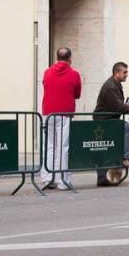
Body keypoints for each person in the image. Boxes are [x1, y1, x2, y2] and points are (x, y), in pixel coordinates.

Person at [39, 47, 81, 191]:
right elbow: (77, 94)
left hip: (48, 112)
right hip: (65, 113)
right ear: (70, 59)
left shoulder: (47, 72)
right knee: (63, 147)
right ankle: (62, 180)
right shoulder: (74, 74)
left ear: (57, 58)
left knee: (49, 146)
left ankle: (47, 178)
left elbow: (45, 86)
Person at [93, 62, 129, 186]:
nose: (127, 75)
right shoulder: (110, 87)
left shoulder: (115, 84)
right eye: (125, 72)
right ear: (116, 73)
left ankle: (103, 177)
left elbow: (119, 104)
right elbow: (118, 106)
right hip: (104, 121)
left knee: (106, 148)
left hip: (109, 119)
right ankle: (125, 158)